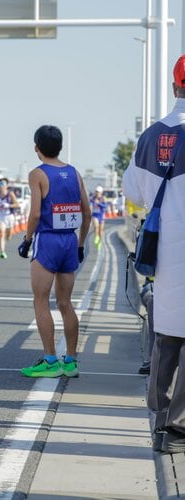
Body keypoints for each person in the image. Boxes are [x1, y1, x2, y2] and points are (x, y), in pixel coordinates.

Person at [123, 54, 185, 454]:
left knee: (167, 333)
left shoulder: (151, 137)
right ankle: (179, 428)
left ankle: (162, 419)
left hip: (165, 249)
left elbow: (134, 192)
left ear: (176, 86)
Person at [17, 125, 91, 379]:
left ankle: (49, 360)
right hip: (69, 241)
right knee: (65, 303)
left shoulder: (37, 174)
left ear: (37, 148)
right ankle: (70, 362)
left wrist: (27, 240)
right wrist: (80, 244)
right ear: (60, 146)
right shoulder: (74, 173)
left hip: (47, 240)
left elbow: (36, 213)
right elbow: (87, 212)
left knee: (40, 300)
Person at [0, 177, 20, 259]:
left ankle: (7, 237)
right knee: (2, 233)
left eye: (3, 184)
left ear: (6, 185)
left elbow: (17, 204)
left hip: (9, 216)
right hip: (1, 216)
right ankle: (2, 252)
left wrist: (8, 205)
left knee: (8, 235)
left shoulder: (10, 194)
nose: (1, 186)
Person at [89, 185, 107, 250]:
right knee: (96, 227)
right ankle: (96, 237)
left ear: (101, 192)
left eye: (99, 192)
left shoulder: (103, 198)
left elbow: (105, 206)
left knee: (101, 230)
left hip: (101, 216)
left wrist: (99, 203)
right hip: (95, 215)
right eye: (96, 192)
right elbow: (90, 205)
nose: (97, 193)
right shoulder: (92, 198)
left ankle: (99, 242)